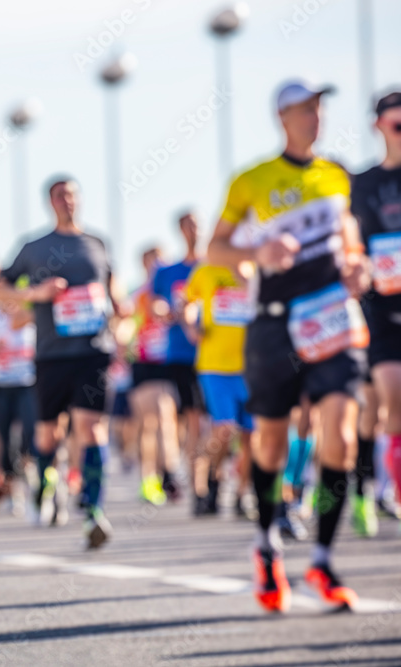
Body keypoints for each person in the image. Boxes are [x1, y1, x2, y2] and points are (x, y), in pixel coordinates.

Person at [207, 80, 370, 612]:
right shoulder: (252, 180)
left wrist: (355, 265)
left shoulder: (335, 175)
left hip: (331, 324)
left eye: (320, 108)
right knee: (270, 446)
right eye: (305, 110)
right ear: (282, 117)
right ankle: (267, 544)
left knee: (340, 441)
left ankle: (321, 557)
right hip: (274, 326)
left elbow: (349, 238)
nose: (315, 117)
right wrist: (260, 248)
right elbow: (216, 249)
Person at [0, 175, 121, 548]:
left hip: (93, 351)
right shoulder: (34, 248)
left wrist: (121, 312)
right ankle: (45, 485)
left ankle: (94, 511)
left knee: (91, 429)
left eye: (71, 194)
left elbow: (113, 292)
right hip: (52, 354)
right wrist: (38, 293)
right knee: (48, 433)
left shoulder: (97, 243)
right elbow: (1, 290)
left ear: (79, 199)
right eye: (59, 195)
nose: (67, 200)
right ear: (50, 202)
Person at [352, 90, 401, 529]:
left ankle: (387, 490)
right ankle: (364, 487)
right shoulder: (361, 184)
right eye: (397, 125)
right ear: (379, 127)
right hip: (377, 309)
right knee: (379, 402)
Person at [183, 260, 255, 516]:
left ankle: (241, 495)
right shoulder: (206, 271)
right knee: (224, 429)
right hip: (214, 366)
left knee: (250, 436)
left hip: (250, 367)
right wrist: (191, 325)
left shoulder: (256, 268)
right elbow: (187, 302)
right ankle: (209, 483)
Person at [153, 212, 209, 513]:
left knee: (221, 424)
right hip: (180, 355)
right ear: (179, 230)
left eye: (198, 224)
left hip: (216, 355)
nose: (194, 230)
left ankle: (213, 477)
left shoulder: (213, 265)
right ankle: (199, 488)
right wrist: (164, 309)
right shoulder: (167, 271)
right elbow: (155, 303)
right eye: (188, 225)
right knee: (193, 421)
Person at [127, 246, 180, 506]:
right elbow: (129, 323)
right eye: (152, 262)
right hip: (144, 362)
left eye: (161, 261)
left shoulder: (173, 291)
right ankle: (150, 478)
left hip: (168, 361)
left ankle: (167, 471)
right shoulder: (139, 295)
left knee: (166, 419)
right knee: (148, 422)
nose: (157, 267)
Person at [0, 281, 37, 513]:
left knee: (31, 433)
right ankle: (12, 490)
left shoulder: (31, 315)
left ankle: (31, 472)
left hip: (26, 384)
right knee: (3, 440)